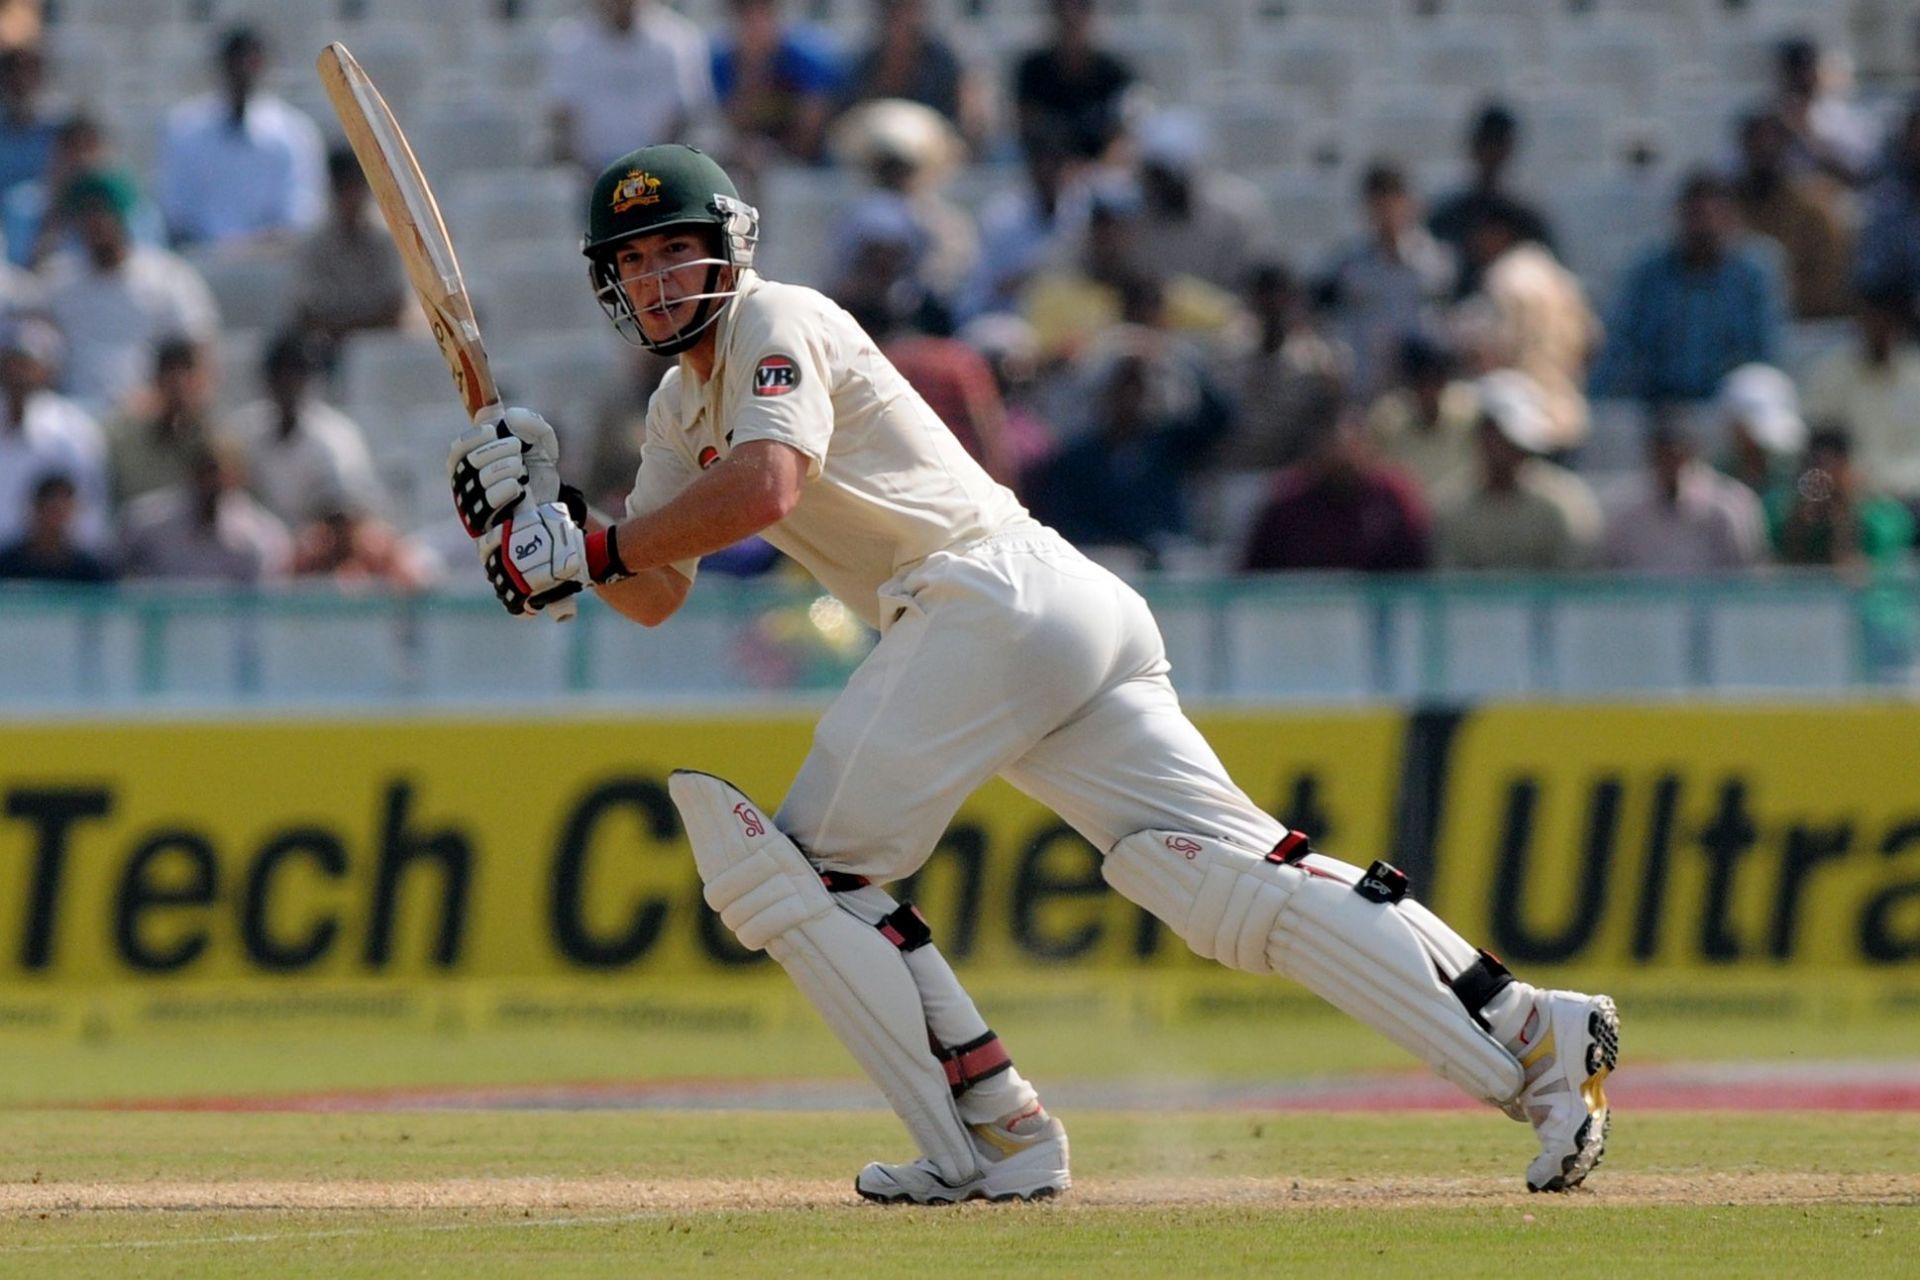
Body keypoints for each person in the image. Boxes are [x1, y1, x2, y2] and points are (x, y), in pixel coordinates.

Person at [442, 143, 1619, 1204]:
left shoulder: (774, 319)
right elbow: (656, 591)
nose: (656, 282)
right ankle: (1531, 1030)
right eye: (634, 264)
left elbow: (767, 492)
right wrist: (557, 521)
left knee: (801, 876)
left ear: (729, 248)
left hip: (984, 597)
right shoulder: (672, 405)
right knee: (1226, 877)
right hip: (1053, 606)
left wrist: (586, 547)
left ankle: (997, 1134)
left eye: (675, 253)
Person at [1589, 170, 1786, 405]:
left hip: (1728, 407)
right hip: (1659, 406)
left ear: (1731, 219)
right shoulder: (1647, 273)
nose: (1705, 227)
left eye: (1713, 217)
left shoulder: (1754, 274)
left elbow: (1767, 352)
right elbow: (1619, 344)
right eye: (1696, 217)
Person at [41, 170, 221, 417]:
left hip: (150, 416)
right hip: (73, 417)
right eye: (87, 213)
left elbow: (199, 355)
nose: (96, 221)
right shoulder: (56, 281)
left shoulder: (169, 276)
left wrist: (164, 403)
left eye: (103, 211)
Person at [1240, 373, 1432, 574]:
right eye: (1334, 442)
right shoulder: (1285, 503)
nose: (1344, 452)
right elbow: (1253, 580)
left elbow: (1417, 575)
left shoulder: (1394, 497)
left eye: (1354, 441)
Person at [155, 25, 326, 249]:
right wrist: (220, 246)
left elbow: (301, 212)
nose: (242, 69)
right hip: (202, 259)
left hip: (272, 262)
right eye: (235, 59)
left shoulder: (295, 132)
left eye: (251, 59)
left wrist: (255, 245)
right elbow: (176, 210)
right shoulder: (184, 129)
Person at [1433, 371, 1600, 572]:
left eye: (1512, 440)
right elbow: (1450, 587)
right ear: (1480, 436)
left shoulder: (1567, 505)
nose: (1506, 448)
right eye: (1496, 435)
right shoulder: (1451, 510)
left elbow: (1574, 584)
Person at [1322, 162, 1455, 401]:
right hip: (1367, 388)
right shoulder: (1349, 265)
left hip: (1422, 389)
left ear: (1409, 202)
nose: (1386, 211)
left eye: (1393, 200)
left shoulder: (1437, 261)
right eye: (1378, 203)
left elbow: (1446, 322)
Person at [225, 330, 385, 528]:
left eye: (296, 377)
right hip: (256, 546)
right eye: (281, 377)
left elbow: (349, 513)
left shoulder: (337, 438)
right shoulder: (244, 429)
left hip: (322, 547)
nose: (289, 386)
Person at [543, 0, 715, 175]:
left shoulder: (680, 40)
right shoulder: (568, 42)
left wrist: (655, 165)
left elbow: (685, 114)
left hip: (660, 171)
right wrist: (591, 171)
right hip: (589, 174)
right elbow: (562, 116)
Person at [1802, 284, 1920, 511]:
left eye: (1887, 320)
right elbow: (1819, 445)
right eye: (1872, 318)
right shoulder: (1831, 374)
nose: (1879, 327)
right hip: (1856, 499)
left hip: (1912, 494)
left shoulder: (1915, 375)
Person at [1599, 416, 1768, 573]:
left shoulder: (1732, 505)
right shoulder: (1626, 511)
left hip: (1715, 603)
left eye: (1677, 457)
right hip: (1644, 603)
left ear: (1692, 454)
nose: (1671, 465)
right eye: (1663, 457)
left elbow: (1747, 574)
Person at [0, 314, 109, 556]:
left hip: (50, 572)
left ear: (47, 370)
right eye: (11, 362)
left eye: (27, 364)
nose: (18, 373)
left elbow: (89, 512)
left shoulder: (75, 429)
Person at [1730, 111, 1853, 321]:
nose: (1763, 149)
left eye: (1771, 142)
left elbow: (1828, 282)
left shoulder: (1813, 207)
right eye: (1756, 142)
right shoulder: (1725, 206)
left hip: (1805, 325)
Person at [117, 435, 290, 583]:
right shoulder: (146, 522)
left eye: (220, 474)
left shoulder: (265, 537)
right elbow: (119, 580)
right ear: (191, 472)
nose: (211, 482)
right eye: (206, 472)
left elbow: (263, 607)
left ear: (239, 477)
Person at [1426, 102, 1555, 298]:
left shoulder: (1527, 221)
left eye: (1499, 145)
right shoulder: (1446, 218)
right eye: (1487, 144)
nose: (1492, 154)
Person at [836, 0, 989, 156]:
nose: (901, 17)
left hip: (937, 156)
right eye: (893, 9)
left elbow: (969, 124)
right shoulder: (865, 64)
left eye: (907, 8)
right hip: (878, 158)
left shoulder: (946, 62)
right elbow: (849, 125)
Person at [290, 146, 407, 350]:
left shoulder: (385, 240)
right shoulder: (314, 244)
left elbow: (395, 309)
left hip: (380, 346)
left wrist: (351, 332)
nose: (352, 198)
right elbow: (307, 315)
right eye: (345, 188)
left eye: (356, 187)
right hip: (329, 350)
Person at [711, 0, 843, 166]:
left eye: (762, 13)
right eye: (746, 15)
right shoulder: (723, 64)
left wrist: (780, 158)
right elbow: (733, 122)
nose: (755, 25)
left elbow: (810, 129)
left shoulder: (805, 60)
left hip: (809, 164)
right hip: (753, 161)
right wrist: (752, 71)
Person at [103, 336, 223, 510]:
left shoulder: (219, 445)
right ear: (156, 379)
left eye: (187, 371)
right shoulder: (125, 445)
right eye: (170, 371)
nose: (179, 383)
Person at [1012, 0, 1134, 163]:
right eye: (1062, 5)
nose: (1071, 14)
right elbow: (1028, 127)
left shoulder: (1115, 74)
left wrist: (1093, 173)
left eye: (1081, 5)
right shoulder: (1033, 70)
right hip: (1047, 175)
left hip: (1102, 177)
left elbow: (1122, 139)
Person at [0, 471, 114, 582]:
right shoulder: (7, 563)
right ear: (36, 509)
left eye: (64, 510)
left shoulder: (90, 569)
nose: (57, 518)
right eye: (52, 509)